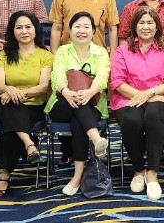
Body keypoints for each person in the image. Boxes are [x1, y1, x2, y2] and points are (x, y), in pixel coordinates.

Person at [111, 7, 164, 200]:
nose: (146, 27)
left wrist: (149, 94)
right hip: (128, 98)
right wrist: (143, 96)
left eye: (150, 23)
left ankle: (152, 174)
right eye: (141, 23)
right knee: (132, 120)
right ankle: (138, 169)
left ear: (157, 27)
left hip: (161, 99)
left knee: (152, 114)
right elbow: (117, 82)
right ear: (134, 27)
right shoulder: (123, 50)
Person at [0, 11, 54, 199]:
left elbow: (43, 87)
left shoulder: (45, 55)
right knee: (11, 109)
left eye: (28, 27)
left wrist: (18, 93)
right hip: (2, 102)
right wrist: (10, 91)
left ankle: (4, 175)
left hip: (33, 105)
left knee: (12, 122)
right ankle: (29, 144)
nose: (24, 31)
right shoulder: (4, 54)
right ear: (12, 31)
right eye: (19, 27)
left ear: (36, 30)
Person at [46, 11, 111, 197]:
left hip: (93, 103)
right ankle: (97, 139)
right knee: (78, 106)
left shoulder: (101, 53)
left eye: (86, 27)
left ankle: (77, 176)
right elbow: (56, 76)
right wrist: (67, 92)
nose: (82, 31)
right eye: (77, 26)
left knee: (78, 122)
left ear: (93, 31)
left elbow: (103, 78)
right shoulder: (62, 51)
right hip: (62, 104)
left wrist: (90, 91)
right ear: (70, 30)